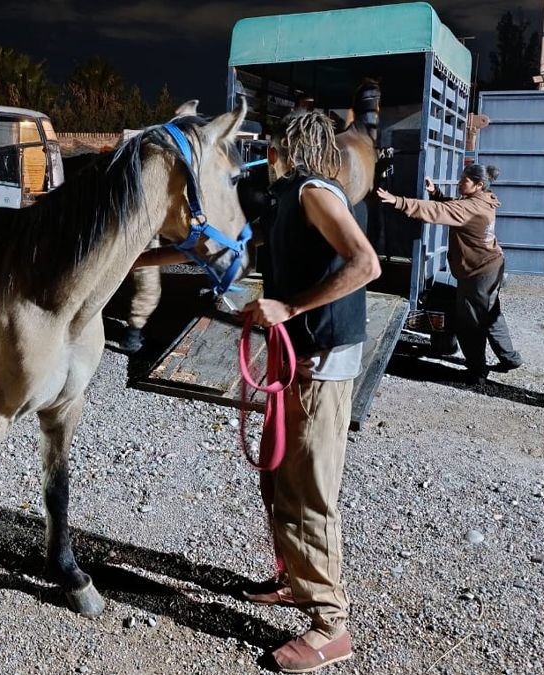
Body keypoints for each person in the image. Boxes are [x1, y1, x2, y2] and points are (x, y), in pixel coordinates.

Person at [239, 109, 380, 672]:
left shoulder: (314, 191)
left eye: (270, 146)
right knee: (278, 475)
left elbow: (366, 264)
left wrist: (290, 307)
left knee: (309, 491)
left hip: (321, 362)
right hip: (295, 357)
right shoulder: (285, 197)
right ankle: (295, 580)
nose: (266, 156)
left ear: (284, 147)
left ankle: (330, 626)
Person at [377, 166, 523, 384]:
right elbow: (454, 208)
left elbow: (438, 211)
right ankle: (510, 358)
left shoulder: (471, 207)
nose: (459, 181)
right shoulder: (484, 199)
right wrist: (436, 193)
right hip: (490, 266)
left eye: (465, 179)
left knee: (469, 323)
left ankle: (477, 372)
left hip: (478, 272)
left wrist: (398, 201)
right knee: (490, 314)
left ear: (479, 185)